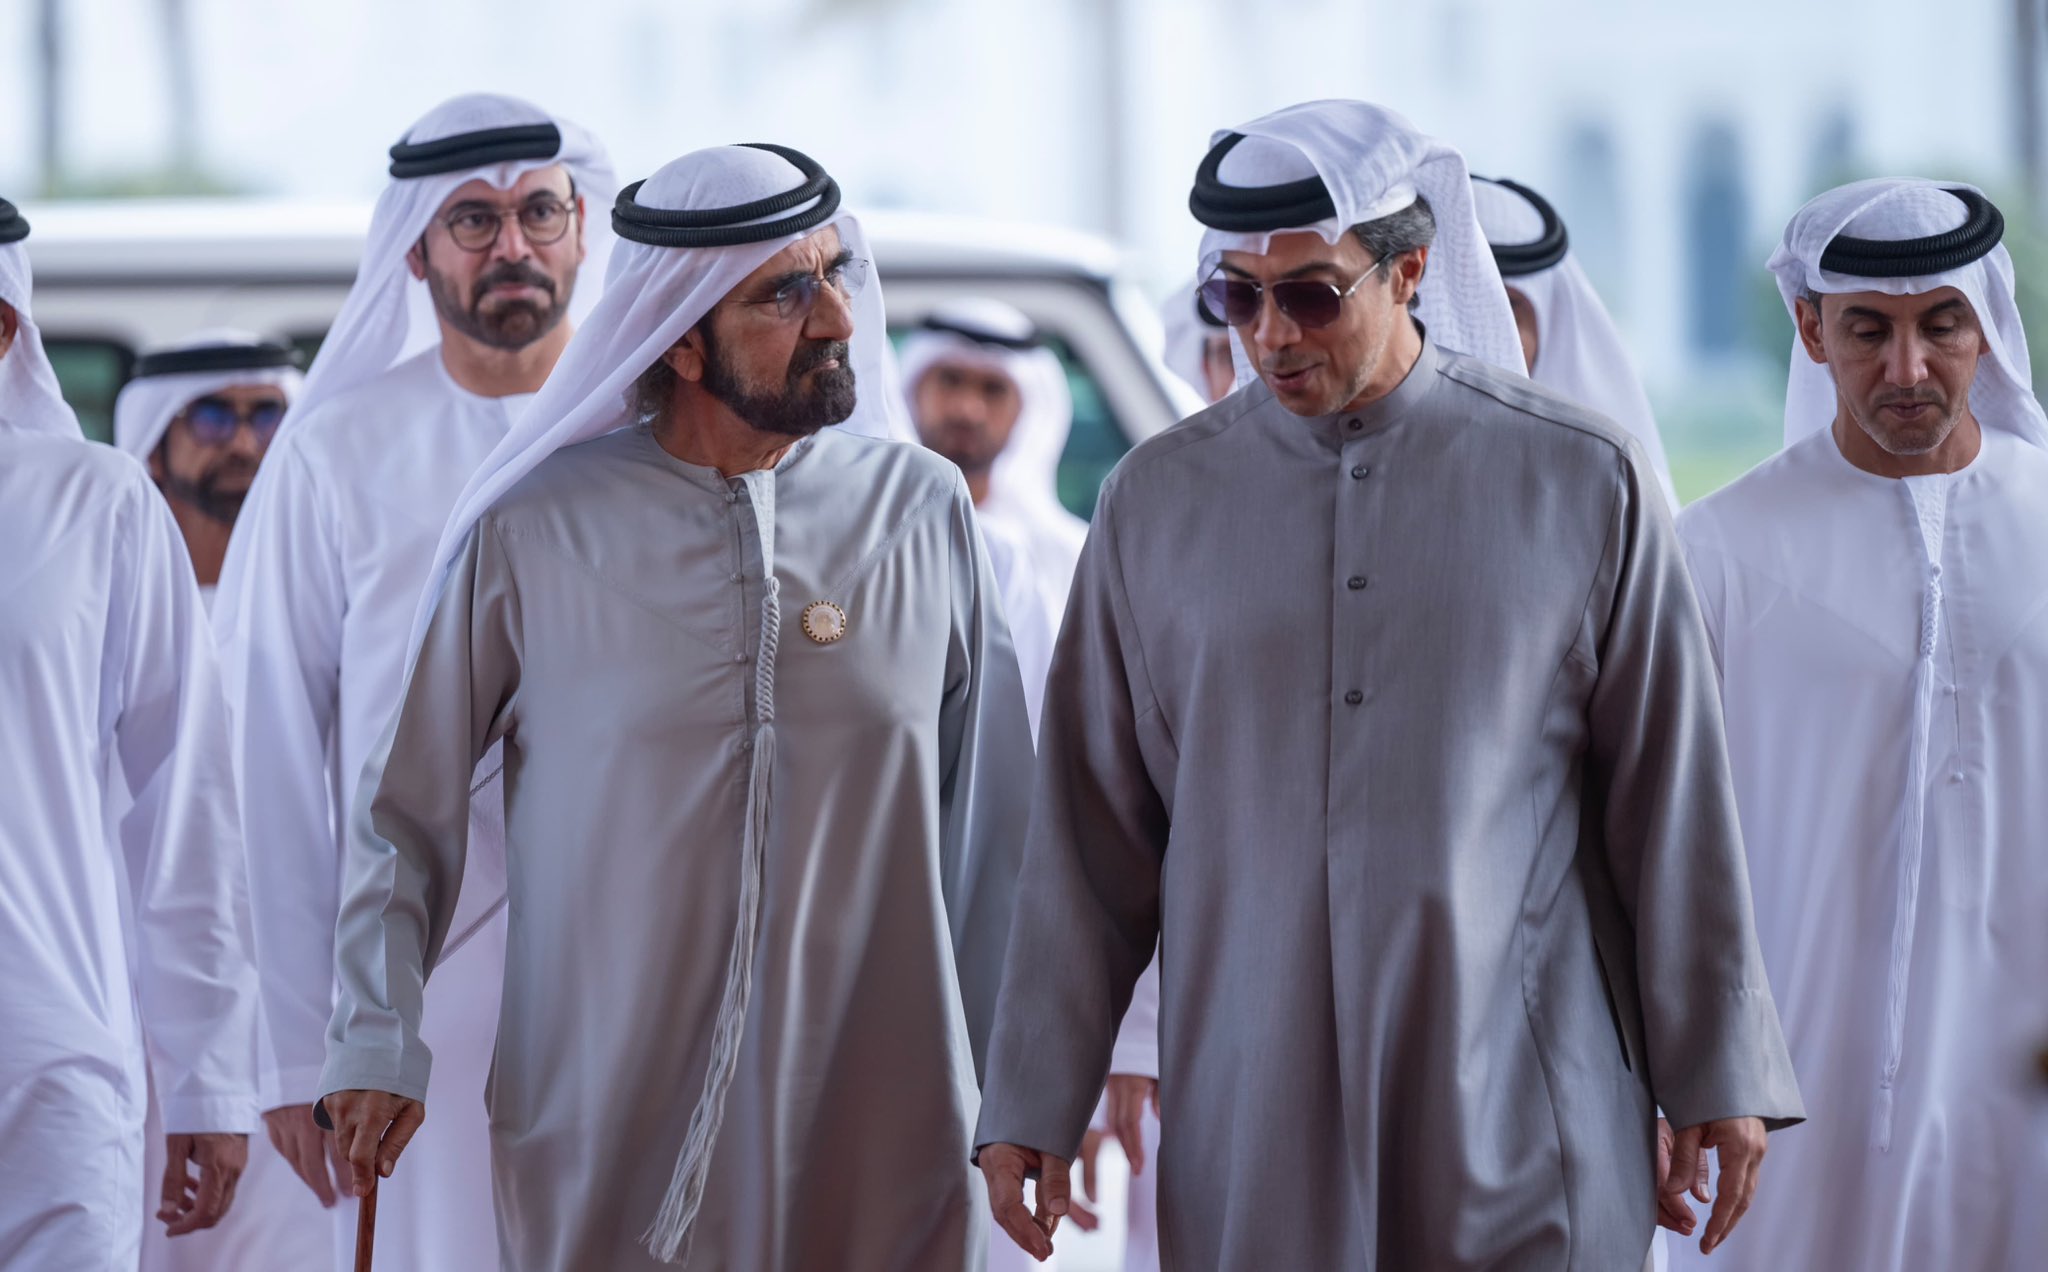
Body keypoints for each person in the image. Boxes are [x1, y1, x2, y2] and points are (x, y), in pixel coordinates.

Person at [972, 99, 1804, 1270]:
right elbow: (1088, 834)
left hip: (1525, 1102)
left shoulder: (1578, 479)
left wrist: (1713, 1071)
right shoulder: (1155, 503)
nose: (1270, 336)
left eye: (1310, 295)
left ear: (1409, 269)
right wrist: (1033, 1098)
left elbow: (1669, 807)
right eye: (1237, 299)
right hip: (1254, 1110)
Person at [315, 143, 1035, 1272]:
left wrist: (1025, 1091)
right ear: (680, 339)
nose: (838, 319)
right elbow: (403, 816)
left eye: (834, 275)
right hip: (609, 1135)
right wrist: (372, 1039)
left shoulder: (919, 512)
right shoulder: (536, 530)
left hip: (884, 1133)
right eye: (785, 295)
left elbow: (998, 834)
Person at [209, 92, 614, 1271]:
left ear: (581, 230)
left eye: (538, 213)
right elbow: (273, 761)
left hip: (634, 971)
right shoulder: (335, 451)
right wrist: (300, 1052)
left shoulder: (646, 429)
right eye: (472, 220)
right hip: (408, 993)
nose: (511, 246)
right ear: (416, 250)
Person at [1671, 178, 2048, 1272]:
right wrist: (1691, 1072)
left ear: (1985, 325)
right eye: (1868, 330)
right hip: (1791, 1095)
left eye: (1942, 326)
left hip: (2024, 1084)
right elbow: (1661, 845)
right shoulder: (1717, 552)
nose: (1907, 370)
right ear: (1810, 331)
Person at [0, 198, 263, 1268]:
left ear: (3, 329)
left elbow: (184, 799)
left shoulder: (94, 503)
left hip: (50, 1063)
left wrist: (210, 1078)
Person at [900, 298, 1081, 728]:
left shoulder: (1073, 556)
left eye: (993, 389)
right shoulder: (872, 537)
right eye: (950, 380)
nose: (967, 409)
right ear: (913, 389)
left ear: (1028, 407)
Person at [1469, 175, 1677, 507]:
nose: (1474, 335)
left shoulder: (1620, 489)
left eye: (1507, 308)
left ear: (1551, 322)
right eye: (1459, 310)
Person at [112, 332, 301, 602]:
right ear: (154, 451)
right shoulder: (120, 595)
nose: (243, 445)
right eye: (213, 419)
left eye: (266, 418)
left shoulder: (309, 590)